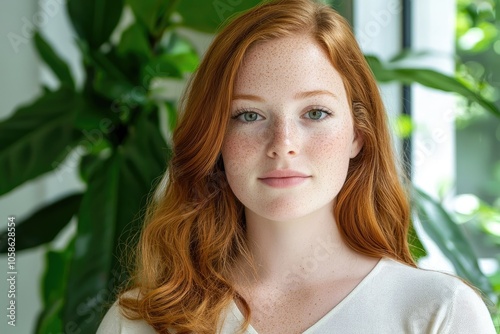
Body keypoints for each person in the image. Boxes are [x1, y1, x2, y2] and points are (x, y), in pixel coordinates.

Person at [97, 0, 497, 333]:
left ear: (358, 133)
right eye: (249, 116)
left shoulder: (442, 315)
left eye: (316, 113)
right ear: (215, 137)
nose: (282, 145)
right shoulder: (138, 321)